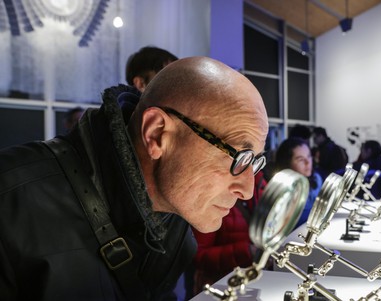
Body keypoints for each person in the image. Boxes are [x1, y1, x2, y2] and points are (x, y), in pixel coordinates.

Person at [0, 57, 269, 300]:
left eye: (254, 162)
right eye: (239, 156)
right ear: (156, 134)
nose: (247, 189)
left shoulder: (175, 225)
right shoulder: (10, 201)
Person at [190, 171, 267, 296]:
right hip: (220, 286)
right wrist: (246, 251)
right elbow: (198, 255)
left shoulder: (261, 183)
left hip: (258, 282)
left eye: (258, 158)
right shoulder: (212, 191)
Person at [274, 137, 323, 228]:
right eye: (300, 159)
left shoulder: (317, 178)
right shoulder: (281, 190)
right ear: (287, 163)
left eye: (309, 156)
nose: (308, 162)